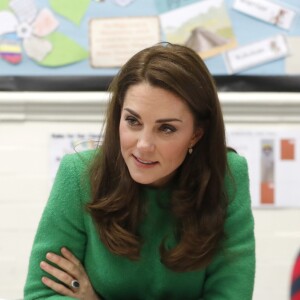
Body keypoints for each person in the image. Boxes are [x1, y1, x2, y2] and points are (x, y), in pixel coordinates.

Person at [24, 43, 255, 299]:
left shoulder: (227, 176)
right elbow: (41, 294)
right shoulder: (79, 174)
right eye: (133, 121)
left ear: (196, 134)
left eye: (166, 128)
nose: (143, 146)